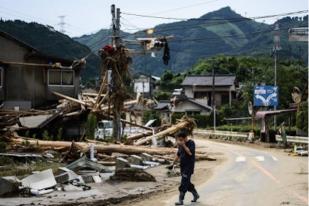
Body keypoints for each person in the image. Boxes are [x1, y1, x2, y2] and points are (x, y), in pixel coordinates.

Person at [172, 130, 199, 205]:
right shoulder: (180, 145)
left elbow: (190, 153)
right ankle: (196, 195)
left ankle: (181, 200)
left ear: (185, 138)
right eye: (178, 140)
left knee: (184, 182)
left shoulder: (191, 143)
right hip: (182, 166)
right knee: (187, 182)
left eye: (180, 139)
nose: (179, 141)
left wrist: (184, 145)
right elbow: (178, 154)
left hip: (189, 166)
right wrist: (173, 163)